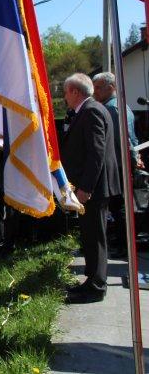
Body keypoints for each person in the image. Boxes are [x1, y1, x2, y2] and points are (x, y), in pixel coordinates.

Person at [61, 73, 121, 303]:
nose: (65, 98)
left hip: (93, 188)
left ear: (76, 92)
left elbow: (96, 153)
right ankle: (91, 279)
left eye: (66, 92)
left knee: (95, 237)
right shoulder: (89, 110)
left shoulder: (92, 111)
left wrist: (85, 188)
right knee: (89, 235)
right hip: (91, 187)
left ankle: (96, 287)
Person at [92, 72, 142, 258]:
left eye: (98, 87)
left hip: (118, 165)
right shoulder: (122, 106)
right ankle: (123, 244)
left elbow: (119, 141)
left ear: (111, 87)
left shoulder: (111, 109)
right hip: (123, 163)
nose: (94, 92)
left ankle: (123, 246)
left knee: (118, 206)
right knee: (119, 205)